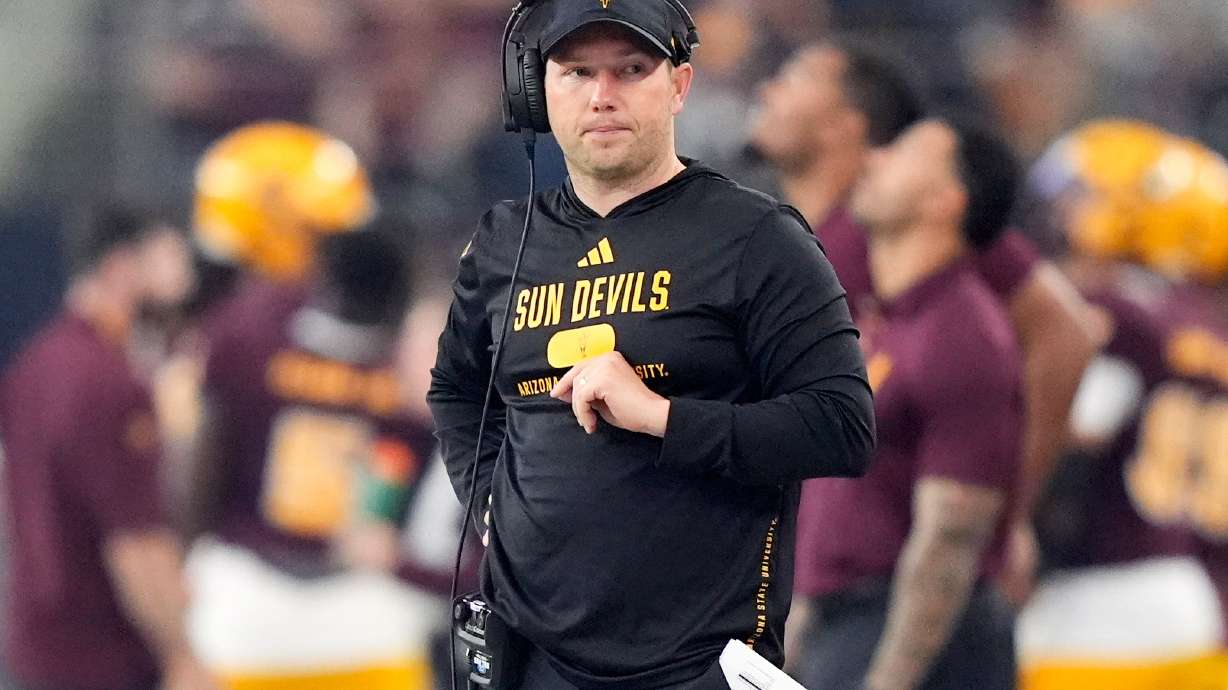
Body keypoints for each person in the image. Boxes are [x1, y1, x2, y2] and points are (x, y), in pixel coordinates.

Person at [428, 1, 877, 688]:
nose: (602, 95)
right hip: (533, 659)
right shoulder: (503, 241)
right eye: (578, 72)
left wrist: (661, 416)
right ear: (537, 93)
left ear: (679, 86)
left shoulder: (757, 237)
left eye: (632, 70)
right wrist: (492, 503)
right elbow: (457, 390)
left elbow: (842, 427)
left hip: (698, 662)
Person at [748, 41, 1102, 615]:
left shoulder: (906, 225)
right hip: (824, 569)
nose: (768, 89)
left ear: (845, 122)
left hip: (901, 574)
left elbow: (1065, 331)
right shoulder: (786, 235)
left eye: (796, 76)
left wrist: (1007, 513)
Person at [790, 120, 1025, 690]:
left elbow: (951, 538)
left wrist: (889, 681)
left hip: (919, 637)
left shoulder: (962, 336)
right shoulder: (889, 321)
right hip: (848, 621)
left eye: (904, 152)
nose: (874, 158)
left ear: (945, 201)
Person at [1016, 120, 1227, 688]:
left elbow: (1071, 436)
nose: (1059, 214)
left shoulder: (1116, 313)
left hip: (1097, 605)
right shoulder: (1207, 327)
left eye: (1078, 196)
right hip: (1196, 602)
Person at [0, 204, 215, 690]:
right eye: (168, 264)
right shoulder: (110, 383)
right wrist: (182, 654)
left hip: (35, 642)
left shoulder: (34, 364)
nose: (183, 285)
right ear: (121, 267)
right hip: (103, 653)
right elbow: (136, 544)